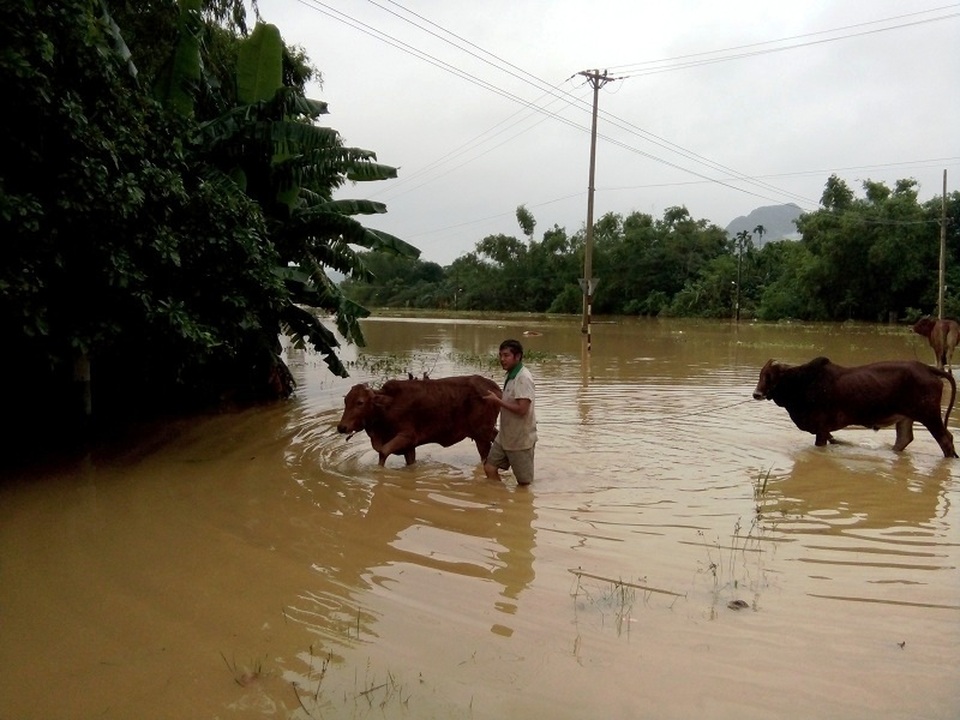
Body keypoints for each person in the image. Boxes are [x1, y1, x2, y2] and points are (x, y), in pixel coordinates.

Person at [483, 339, 537, 485]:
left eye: (506, 355)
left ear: (517, 356)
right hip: (505, 435)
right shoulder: (510, 374)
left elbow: (522, 410)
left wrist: (497, 401)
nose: (502, 359)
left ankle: (522, 505)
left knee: (524, 484)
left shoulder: (523, 378)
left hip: (520, 439)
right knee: (489, 468)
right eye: (500, 355)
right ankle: (502, 500)